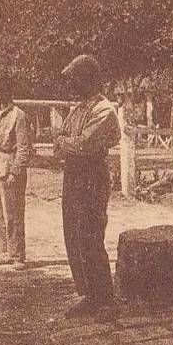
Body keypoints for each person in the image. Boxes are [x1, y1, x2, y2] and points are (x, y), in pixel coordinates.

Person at [54, 55, 121, 320]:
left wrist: (65, 142)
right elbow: (60, 139)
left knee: (91, 236)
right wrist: (66, 141)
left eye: (75, 79)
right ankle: (89, 294)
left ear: (88, 79)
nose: (72, 84)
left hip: (92, 175)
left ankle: (105, 299)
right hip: (73, 175)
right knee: (74, 235)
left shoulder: (104, 110)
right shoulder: (79, 108)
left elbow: (84, 144)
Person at [0, 73, 33, 270]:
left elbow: (23, 148)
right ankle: (6, 251)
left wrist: (15, 172)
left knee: (14, 212)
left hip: (9, 166)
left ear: (2, 92)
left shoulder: (18, 116)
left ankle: (18, 255)